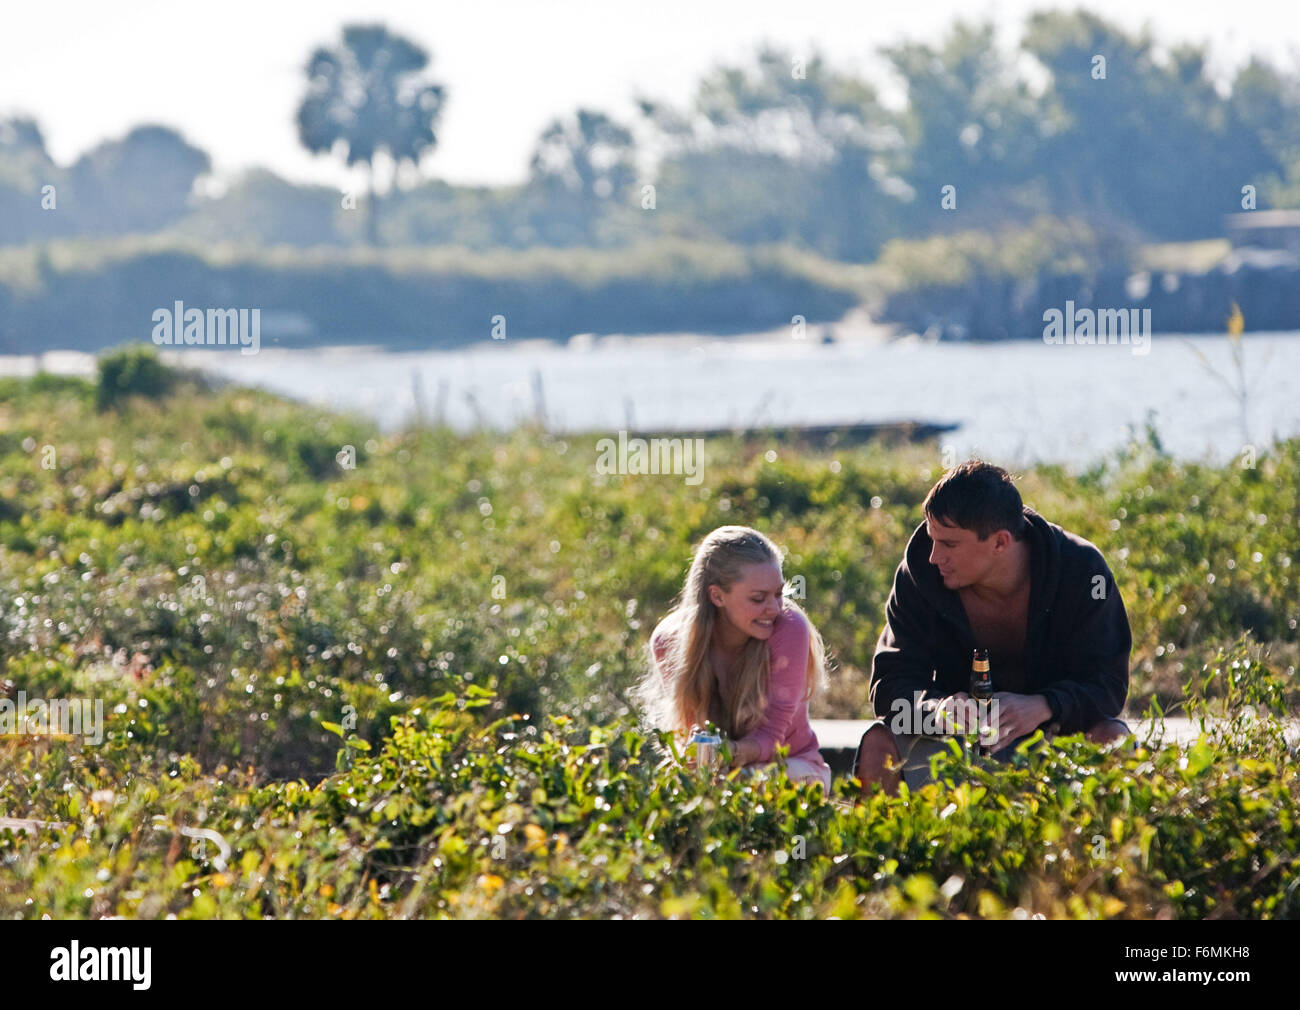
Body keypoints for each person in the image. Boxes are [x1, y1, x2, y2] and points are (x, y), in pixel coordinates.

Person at [856, 461, 1132, 796]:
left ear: (1000, 542)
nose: (933, 557)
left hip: (1055, 742)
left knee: (1112, 741)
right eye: (932, 539)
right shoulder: (918, 577)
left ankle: (1093, 848)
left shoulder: (1084, 571)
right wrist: (937, 710)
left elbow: (1108, 686)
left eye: (949, 544)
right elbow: (888, 689)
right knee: (878, 743)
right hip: (955, 746)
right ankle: (898, 849)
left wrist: (1046, 706)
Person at [639, 525, 833, 792]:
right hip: (723, 776)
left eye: (779, 594)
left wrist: (732, 754)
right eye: (758, 598)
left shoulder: (789, 628)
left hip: (793, 767)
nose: (775, 608)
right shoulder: (669, 641)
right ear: (717, 596)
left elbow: (772, 738)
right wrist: (700, 755)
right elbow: (689, 741)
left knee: (747, 782)